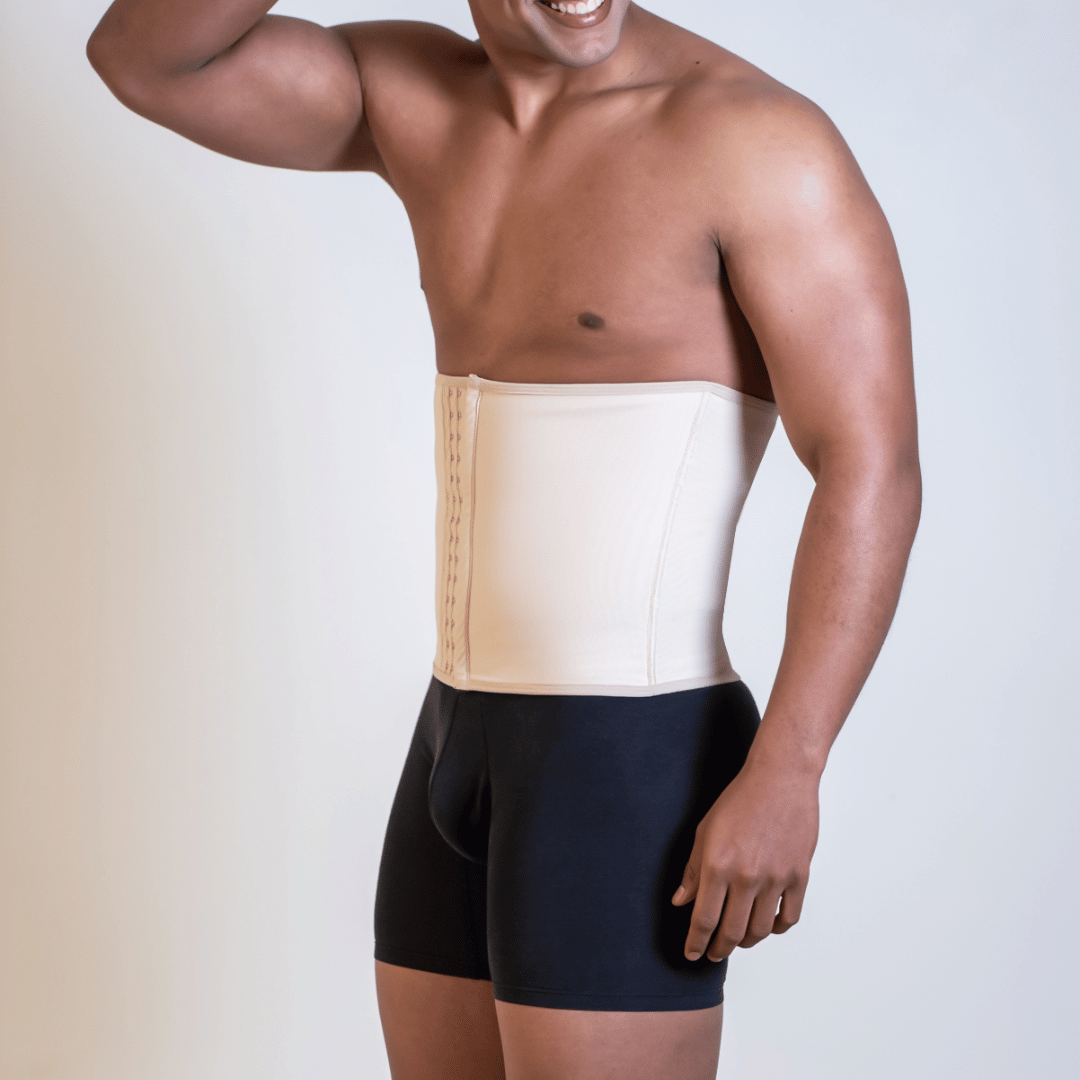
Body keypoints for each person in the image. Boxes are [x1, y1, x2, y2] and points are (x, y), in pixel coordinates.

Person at [86, 2, 921, 1077]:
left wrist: (792, 768)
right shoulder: (411, 96)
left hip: (631, 758)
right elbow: (145, 58)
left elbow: (871, 465)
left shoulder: (753, 141)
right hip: (453, 737)